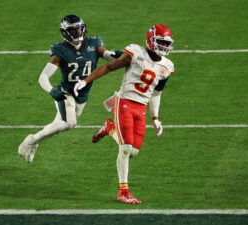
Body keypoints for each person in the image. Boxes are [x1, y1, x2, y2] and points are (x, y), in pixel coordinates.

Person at [73, 24, 175, 204]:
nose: (164, 47)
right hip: (125, 102)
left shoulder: (166, 66)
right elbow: (109, 67)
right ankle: (123, 192)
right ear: (151, 40)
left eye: (167, 43)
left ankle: (109, 128)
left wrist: (156, 118)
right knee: (126, 148)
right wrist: (86, 80)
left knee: (134, 151)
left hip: (141, 108)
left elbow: (157, 94)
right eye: (161, 42)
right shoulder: (136, 53)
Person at [18, 14, 122, 163]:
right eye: (74, 31)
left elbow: (108, 56)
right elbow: (43, 77)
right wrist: (52, 91)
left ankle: (34, 141)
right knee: (69, 123)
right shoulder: (60, 50)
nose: (78, 33)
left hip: (83, 95)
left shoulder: (93, 44)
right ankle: (31, 140)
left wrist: (119, 56)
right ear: (66, 33)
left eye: (80, 29)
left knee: (59, 126)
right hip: (66, 92)